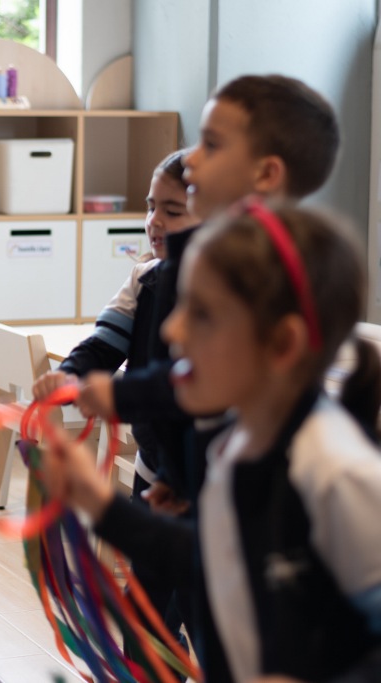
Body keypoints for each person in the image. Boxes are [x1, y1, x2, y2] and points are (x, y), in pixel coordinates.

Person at [42, 202, 381, 682]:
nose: (171, 329)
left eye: (200, 314)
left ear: (282, 345)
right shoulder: (234, 449)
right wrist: (101, 505)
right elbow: (212, 563)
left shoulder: (342, 472)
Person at [69, 74, 340, 509]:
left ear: (267, 173)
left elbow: (204, 377)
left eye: (211, 145)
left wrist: (121, 396)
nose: (191, 158)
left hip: (234, 484)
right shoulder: (189, 264)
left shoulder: (264, 269)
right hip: (184, 473)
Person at [31, 149, 200, 666]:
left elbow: (193, 385)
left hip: (212, 482)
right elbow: (105, 342)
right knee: (147, 611)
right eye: (152, 207)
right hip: (159, 470)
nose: (153, 221)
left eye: (172, 210)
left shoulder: (230, 292)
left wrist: (118, 395)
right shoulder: (146, 277)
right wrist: (73, 373)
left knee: (204, 608)